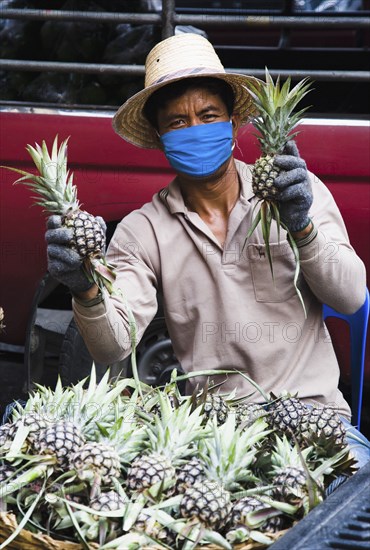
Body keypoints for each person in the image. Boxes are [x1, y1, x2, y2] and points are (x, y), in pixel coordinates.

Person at [46, 33, 369, 469]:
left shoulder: (298, 191)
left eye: (208, 115)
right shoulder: (144, 231)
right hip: (219, 439)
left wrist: (302, 225)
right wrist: (85, 290)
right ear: (160, 137)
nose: (195, 129)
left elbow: (349, 296)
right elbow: (112, 346)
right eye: (177, 122)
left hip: (319, 421)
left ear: (234, 123)